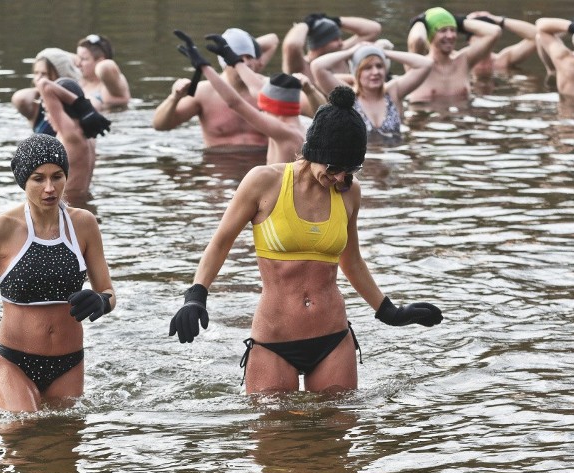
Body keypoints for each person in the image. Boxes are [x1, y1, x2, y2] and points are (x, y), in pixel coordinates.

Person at [168, 86, 443, 394]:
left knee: (335, 437)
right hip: (274, 342)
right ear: (314, 151)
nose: (340, 178)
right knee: (274, 437)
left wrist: (389, 311)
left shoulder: (350, 193)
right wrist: (196, 296)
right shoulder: (264, 182)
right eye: (334, 168)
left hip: (333, 339)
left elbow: (351, 260)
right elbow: (220, 243)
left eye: (350, 170)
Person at [0, 134, 116, 412]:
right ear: (23, 181)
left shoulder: (84, 224)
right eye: (38, 179)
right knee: (21, 435)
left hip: (69, 362)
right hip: (15, 361)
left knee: (63, 449)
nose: (50, 188)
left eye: (57, 176)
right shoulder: (1, 228)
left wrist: (100, 301)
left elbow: (109, 293)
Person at [176, 33, 308, 164]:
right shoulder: (300, 129)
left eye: (264, 105)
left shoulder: (284, 132)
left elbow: (235, 103)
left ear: (273, 106)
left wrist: (204, 67)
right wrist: (234, 60)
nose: (261, 109)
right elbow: (256, 88)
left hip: (279, 185)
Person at [152, 28, 270, 151]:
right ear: (225, 60)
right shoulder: (204, 92)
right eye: (239, 57)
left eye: (249, 57)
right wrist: (174, 98)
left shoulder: (271, 89)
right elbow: (160, 126)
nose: (246, 63)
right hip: (217, 165)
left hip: (263, 164)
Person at [310, 41, 433, 144]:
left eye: (379, 66)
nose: (375, 72)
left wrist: (383, 52)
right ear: (357, 73)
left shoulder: (393, 91)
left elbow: (426, 64)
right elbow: (317, 66)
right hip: (360, 165)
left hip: (393, 162)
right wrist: (351, 52)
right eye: (367, 68)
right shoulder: (347, 96)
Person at [35, 76, 111, 204]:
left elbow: (44, 85)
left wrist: (82, 105)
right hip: (83, 205)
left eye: (48, 111)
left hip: (68, 208)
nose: (47, 118)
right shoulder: (88, 131)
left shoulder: (71, 134)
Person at [405, 7, 502, 103]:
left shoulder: (464, 61)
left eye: (453, 30)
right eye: (443, 30)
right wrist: (419, 21)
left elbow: (494, 32)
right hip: (426, 117)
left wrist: (457, 20)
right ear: (431, 35)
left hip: (461, 117)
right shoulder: (419, 65)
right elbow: (417, 40)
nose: (450, 36)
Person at [282, 12, 381, 84]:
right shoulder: (300, 66)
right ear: (320, 43)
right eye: (335, 39)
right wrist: (306, 24)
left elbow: (374, 30)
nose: (341, 43)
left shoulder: (342, 53)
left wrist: (335, 21)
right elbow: (292, 45)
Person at [12, 47, 81, 136]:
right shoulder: (37, 106)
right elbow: (20, 99)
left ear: (60, 76)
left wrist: (49, 87)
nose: (38, 79)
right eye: (36, 73)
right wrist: (42, 90)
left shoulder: (76, 103)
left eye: (44, 74)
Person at [461, 12, 538, 79]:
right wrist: (462, 21)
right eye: (479, 35)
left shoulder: (502, 60)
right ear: (469, 40)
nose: (485, 40)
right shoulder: (458, 61)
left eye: (488, 36)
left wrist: (499, 20)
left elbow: (536, 36)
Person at [75, 34, 131, 110]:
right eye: (77, 57)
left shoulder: (111, 83)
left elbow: (105, 67)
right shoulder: (77, 79)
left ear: (100, 61)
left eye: (83, 59)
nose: (78, 64)